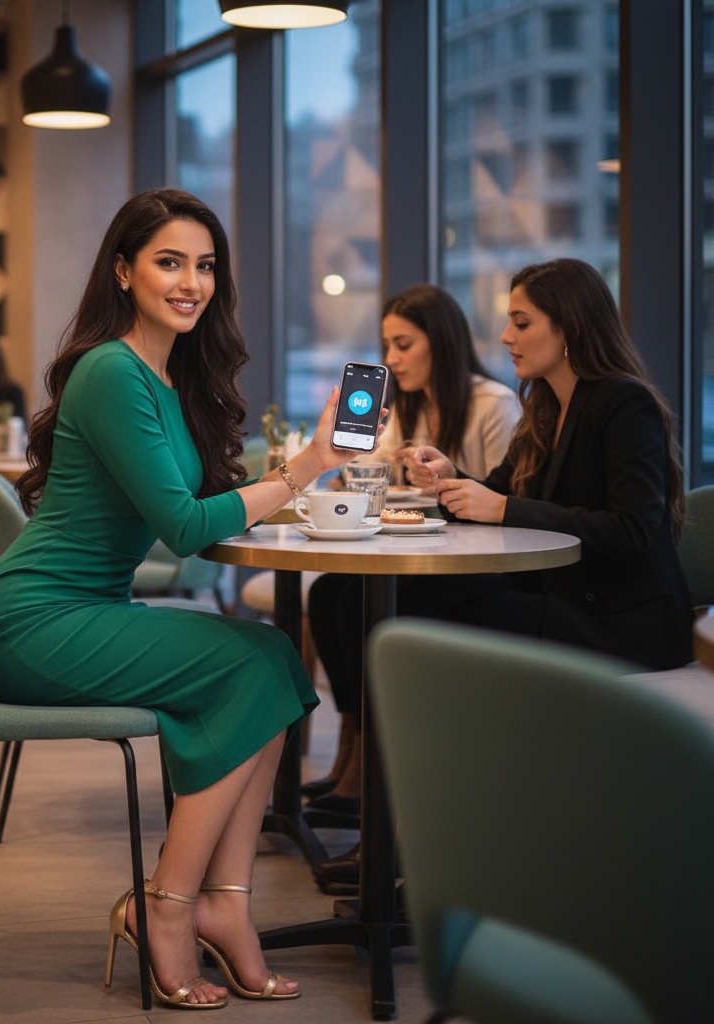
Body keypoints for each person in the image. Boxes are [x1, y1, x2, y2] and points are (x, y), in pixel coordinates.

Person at [0, 188, 354, 1009]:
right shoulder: (112, 371)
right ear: (123, 271)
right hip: (33, 621)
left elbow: (195, 502)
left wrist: (282, 478)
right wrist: (301, 472)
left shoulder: (166, 378)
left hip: (86, 611)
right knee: (251, 668)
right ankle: (167, 908)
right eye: (169, 262)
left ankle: (227, 905)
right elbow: (181, 528)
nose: (192, 282)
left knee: (277, 660)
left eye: (204, 265)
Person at [304, 285, 520, 889]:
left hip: (478, 568)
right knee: (331, 594)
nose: (392, 359)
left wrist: (445, 481)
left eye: (404, 344)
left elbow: (507, 498)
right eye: (386, 346)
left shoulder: (492, 404)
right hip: (425, 551)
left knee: (366, 607)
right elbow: (377, 479)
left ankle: (369, 785)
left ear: (441, 343)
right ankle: (352, 756)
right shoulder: (408, 405)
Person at [401, 257, 693, 670]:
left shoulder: (623, 402)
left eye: (522, 324)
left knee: (427, 615)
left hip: (622, 620)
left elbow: (632, 529)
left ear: (569, 328)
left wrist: (502, 508)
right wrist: (452, 479)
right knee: (416, 599)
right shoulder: (545, 407)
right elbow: (500, 491)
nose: (505, 337)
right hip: (565, 598)